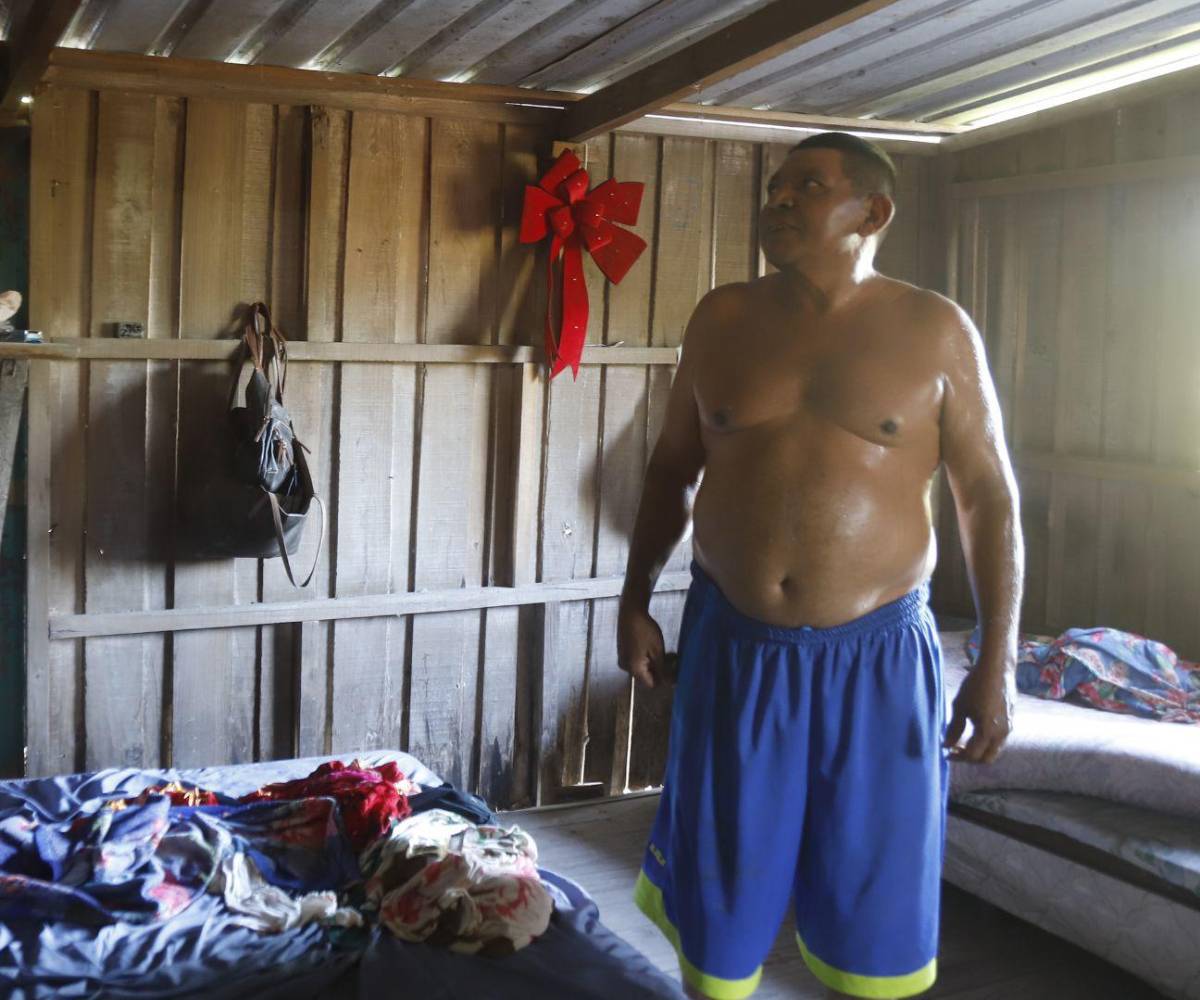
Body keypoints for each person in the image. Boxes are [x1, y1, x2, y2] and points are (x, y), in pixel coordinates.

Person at [617, 132, 1023, 1000]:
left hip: (878, 655)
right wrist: (634, 598)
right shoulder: (721, 319)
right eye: (775, 188)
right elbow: (669, 470)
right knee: (721, 882)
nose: (781, 201)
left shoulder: (934, 329)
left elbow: (988, 498)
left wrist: (998, 661)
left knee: (874, 891)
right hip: (735, 644)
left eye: (808, 186)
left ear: (871, 212)